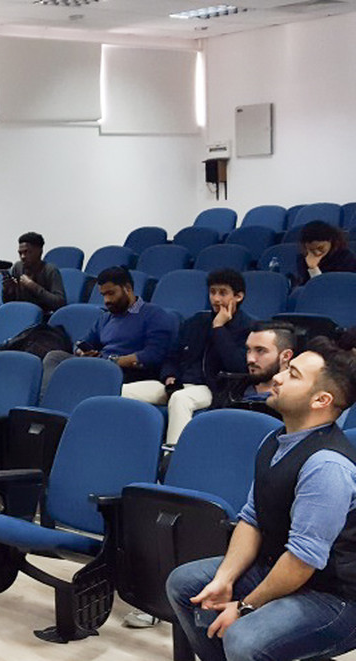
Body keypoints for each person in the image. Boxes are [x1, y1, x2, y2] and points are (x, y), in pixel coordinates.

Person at [165, 337, 356, 661]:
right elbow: (252, 518)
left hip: (336, 597)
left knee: (245, 638)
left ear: (321, 399)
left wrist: (244, 607)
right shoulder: (275, 439)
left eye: (293, 375)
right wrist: (224, 580)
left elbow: (301, 560)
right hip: (280, 569)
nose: (278, 377)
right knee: (185, 585)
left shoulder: (327, 466)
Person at [122, 269, 253, 445]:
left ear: (238, 296)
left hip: (215, 388)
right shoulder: (196, 322)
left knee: (180, 399)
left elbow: (236, 364)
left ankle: (173, 455)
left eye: (222, 293)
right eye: (212, 292)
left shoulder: (248, 327)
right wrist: (169, 376)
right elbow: (172, 355)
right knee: (123, 391)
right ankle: (128, 444)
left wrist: (219, 328)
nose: (215, 299)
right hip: (179, 383)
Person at [41, 266, 176, 392]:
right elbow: (83, 341)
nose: (106, 300)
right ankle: (47, 402)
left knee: (85, 375)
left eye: (111, 293)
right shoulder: (106, 318)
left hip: (128, 372)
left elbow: (154, 354)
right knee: (55, 357)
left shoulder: (153, 314)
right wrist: (82, 352)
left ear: (127, 288)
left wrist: (114, 361)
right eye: (103, 295)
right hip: (100, 365)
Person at [0, 231, 67, 314]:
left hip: (43, 317)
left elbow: (59, 303)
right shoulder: (18, 267)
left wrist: (32, 286)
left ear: (40, 251)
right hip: (20, 313)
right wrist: (8, 291)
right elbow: (9, 302)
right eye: (20, 253)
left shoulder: (50, 270)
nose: (23, 257)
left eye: (27, 252)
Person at [291, 220, 356, 287]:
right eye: (311, 249)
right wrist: (312, 268)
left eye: (320, 248)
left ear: (331, 241)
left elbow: (338, 287)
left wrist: (314, 270)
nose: (317, 252)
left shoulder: (345, 257)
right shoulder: (303, 259)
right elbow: (306, 287)